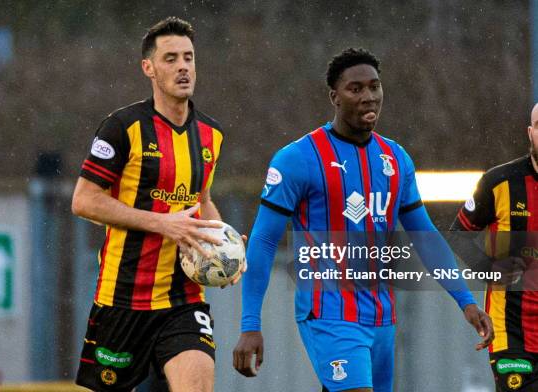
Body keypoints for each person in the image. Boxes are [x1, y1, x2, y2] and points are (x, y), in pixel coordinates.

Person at [233, 48, 494, 392]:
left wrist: (466, 301)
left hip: (381, 316)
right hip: (328, 313)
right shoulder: (298, 158)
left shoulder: (395, 159)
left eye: (374, 87)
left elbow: (425, 235)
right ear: (335, 97)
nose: (369, 97)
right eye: (356, 89)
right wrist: (250, 323)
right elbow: (265, 240)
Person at [72, 17, 230, 392]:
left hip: (183, 299)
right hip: (122, 296)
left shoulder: (212, 134)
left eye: (188, 58)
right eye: (171, 58)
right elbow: (84, 201)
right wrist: (162, 223)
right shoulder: (122, 127)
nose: (183, 67)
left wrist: (222, 245)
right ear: (149, 68)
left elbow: (202, 201)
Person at [450, 103, 538, 391]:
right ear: (530, 132)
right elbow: (458, 233)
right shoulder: (499, 182)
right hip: (511, 333)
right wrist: (487, 267)